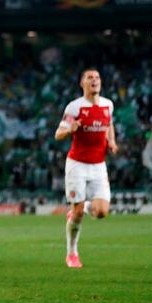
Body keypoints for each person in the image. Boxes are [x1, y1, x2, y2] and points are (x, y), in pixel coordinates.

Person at [54, 68, 118, 268]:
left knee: (101, 212)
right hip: (77, 165)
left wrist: (112, 142)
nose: (95, 80)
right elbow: (58, 134)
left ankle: (79, 208)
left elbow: (108, 125)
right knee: (79, 213)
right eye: (90, 77)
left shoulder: (108, 105)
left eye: (97, 77)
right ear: (82, 83)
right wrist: (69, 129)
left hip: (99, 165)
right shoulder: (75, 107)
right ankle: (72, 253)